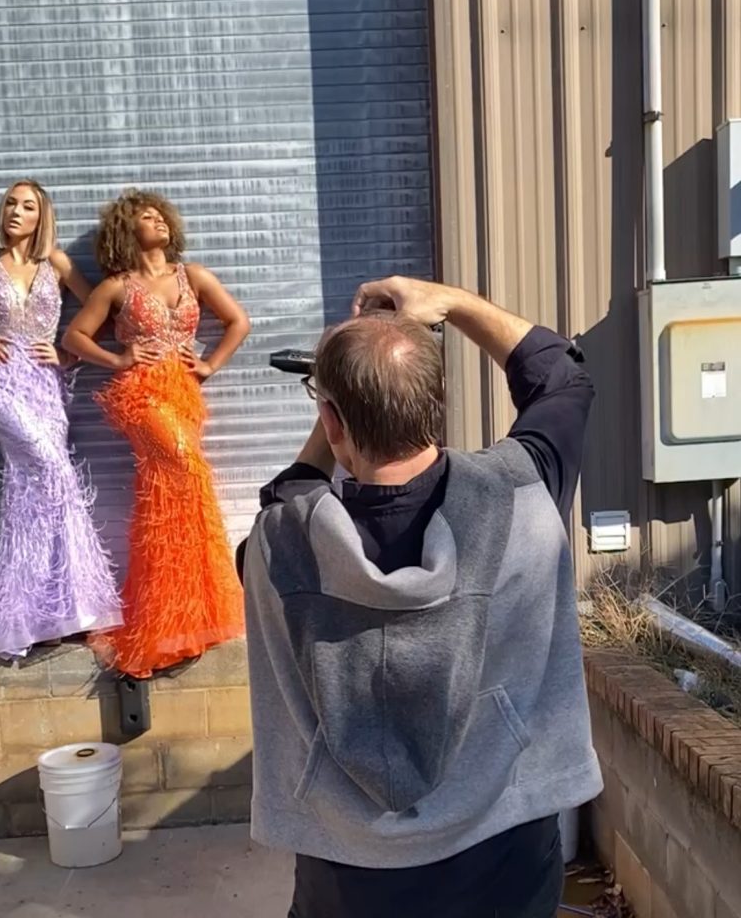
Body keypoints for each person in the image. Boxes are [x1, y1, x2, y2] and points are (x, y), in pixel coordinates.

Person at [239, 275, 603, 918]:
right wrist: (452, 303)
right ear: (437, 404)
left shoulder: (280, 542)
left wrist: (342, 389)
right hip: (506, 861)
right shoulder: (520, 493)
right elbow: (562, 377)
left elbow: (294, 484)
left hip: (345, 880)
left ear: (329, 419)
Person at [0, 179, 121, 659]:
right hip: (1, 387)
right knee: (54, 475)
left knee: (34, 496)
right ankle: (35, 611)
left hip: (46, 390)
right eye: (10, 204)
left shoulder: (55, 264)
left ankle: (47, 613)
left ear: (41, 217)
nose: (16, 211)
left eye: (27, 206)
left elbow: (100, 312)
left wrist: (69, 354)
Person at [63, 188, 250, 679]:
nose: (158, 222)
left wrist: (209, 362)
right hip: (141, 395)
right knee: (186, 467)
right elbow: (74, 338)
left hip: (183, 392)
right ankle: (165, 615)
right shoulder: (116, 288)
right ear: (128, 229)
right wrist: (119, 358)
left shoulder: (194, 276)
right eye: (146, 217)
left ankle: (184, 613)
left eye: (162, 215)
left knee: (176, 494)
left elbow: (238, 321)